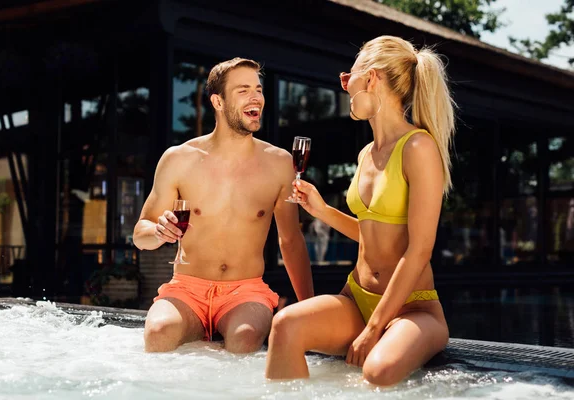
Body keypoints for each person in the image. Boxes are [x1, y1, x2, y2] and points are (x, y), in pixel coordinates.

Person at [265, 35, 454, 386]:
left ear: (371, 78)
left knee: (377, 372)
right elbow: (371, 234)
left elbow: (419, 249)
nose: (344, 87)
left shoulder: (418, 147)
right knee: (285, 325)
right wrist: (322, 211)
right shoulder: (366, 153)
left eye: (346, 78)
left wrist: (374, 327)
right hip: (356, 297)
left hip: (413, 309)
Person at [133, 57, 313, 354]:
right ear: (218, 101)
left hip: (246, 291)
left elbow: (291, 240)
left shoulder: (279, 163)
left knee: (243, 339)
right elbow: (140, 233)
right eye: (243, 90)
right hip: (186, 288)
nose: (256, 97)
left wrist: (308, 307)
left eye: (258, 89)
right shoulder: (179, 158)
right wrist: (158, 232)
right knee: (158, 333)